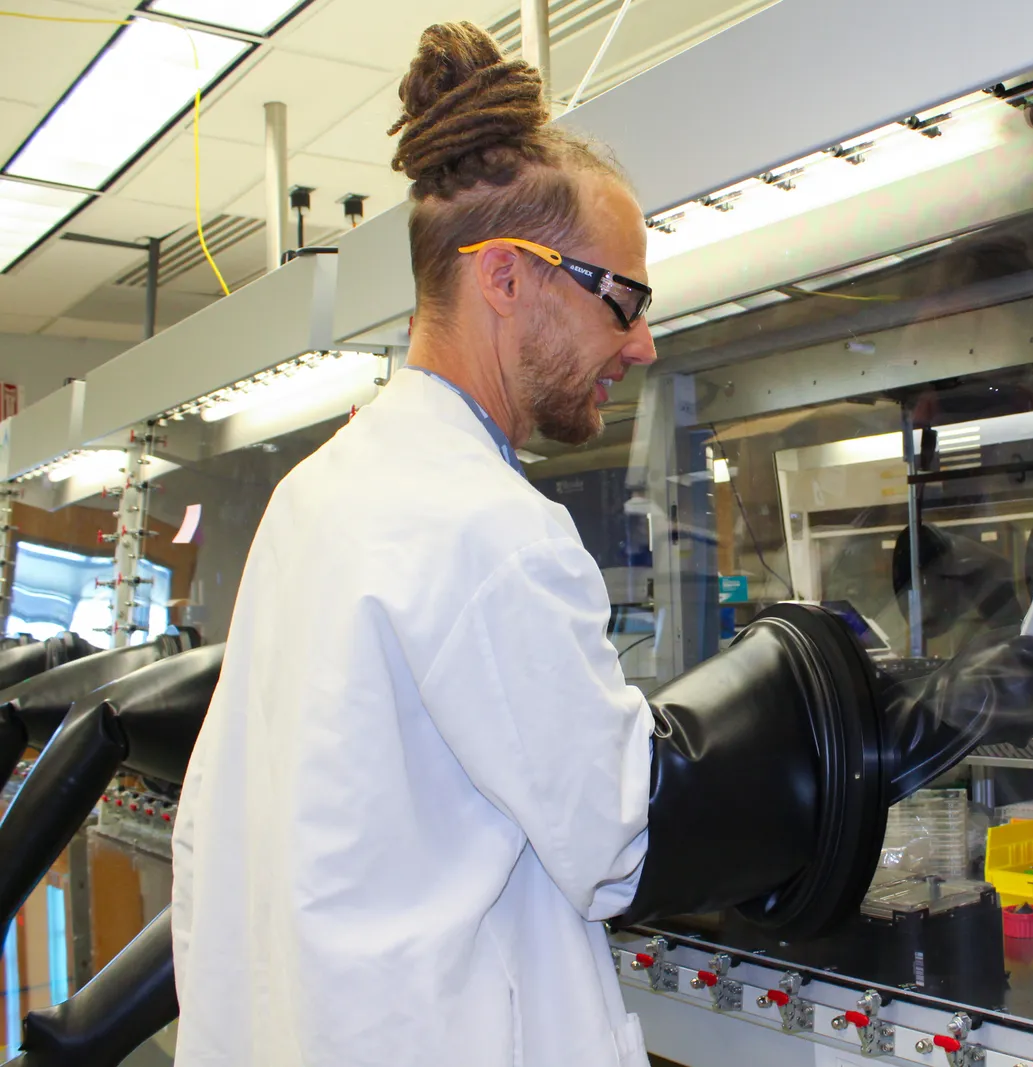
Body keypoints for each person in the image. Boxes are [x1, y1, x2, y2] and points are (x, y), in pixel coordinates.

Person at [171, 22, 660, 1067]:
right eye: (622, 297)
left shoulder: (317, 500)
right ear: (507, 277)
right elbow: (615, 840)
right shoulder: (483, 526)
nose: (641, 342)